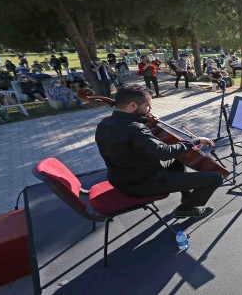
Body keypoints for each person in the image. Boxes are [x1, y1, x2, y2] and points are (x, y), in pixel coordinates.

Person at [95, 84, 223, 219]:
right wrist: (195, 141)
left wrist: (144, 121)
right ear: (133, 106)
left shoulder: (104, 124)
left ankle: (187, 198)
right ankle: (186, 209)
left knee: (177, 163)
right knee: (215, 178)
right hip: (143, 184)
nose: (149, 109)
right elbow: (163, 152)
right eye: (147, 106)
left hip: (121, 179)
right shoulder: (135, 129)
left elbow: (134, 145)